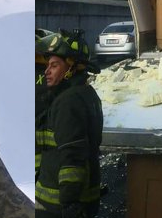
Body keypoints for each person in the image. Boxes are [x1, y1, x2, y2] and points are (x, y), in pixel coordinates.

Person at [35, 30, 103, 218]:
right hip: (74, 199)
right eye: (47, 65)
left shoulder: (68, 102)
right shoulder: (84, 94)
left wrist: (69, 202)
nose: (47, 71)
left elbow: (72, 155)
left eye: (54, 65)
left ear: (71, 69)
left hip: (57, 205)